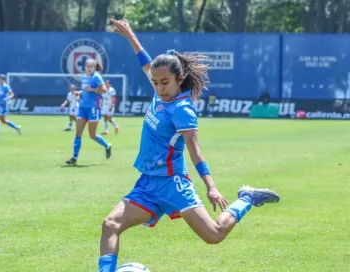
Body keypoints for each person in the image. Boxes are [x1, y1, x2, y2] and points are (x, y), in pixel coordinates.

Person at [98, 19, 281, 272]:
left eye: (165, 83)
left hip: (173, 184)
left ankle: (247, 198)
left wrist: (211, 187)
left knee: (214, 235)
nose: (160, 88)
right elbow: (145, 62)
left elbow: (195, 151)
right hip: (148, 183)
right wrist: (131, 36)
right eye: (155, 82)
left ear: (179, 78)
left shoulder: (183, 110)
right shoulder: (159, 85)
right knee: (110, 224)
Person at [65, 59, 112, 165]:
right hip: (82, 107)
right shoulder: (84, 77)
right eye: (87, 66)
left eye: (91, 66)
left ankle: (107, 145)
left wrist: (91, 89)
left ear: (94, 68)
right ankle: (74, 158)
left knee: (92, 135)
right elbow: (85, 90)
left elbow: (104, 90)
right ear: (85, 67)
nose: (89, 68)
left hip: (93, 108)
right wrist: (80, 92)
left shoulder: (96, 77)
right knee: (78, 133)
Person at [0, 74, 21, 139]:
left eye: (1, 79)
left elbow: (12, 94)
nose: (0, 80)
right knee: (3, 121)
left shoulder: (6, 87)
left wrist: (7, 98)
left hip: (3, 105)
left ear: (4, 80)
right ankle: (17, 127)